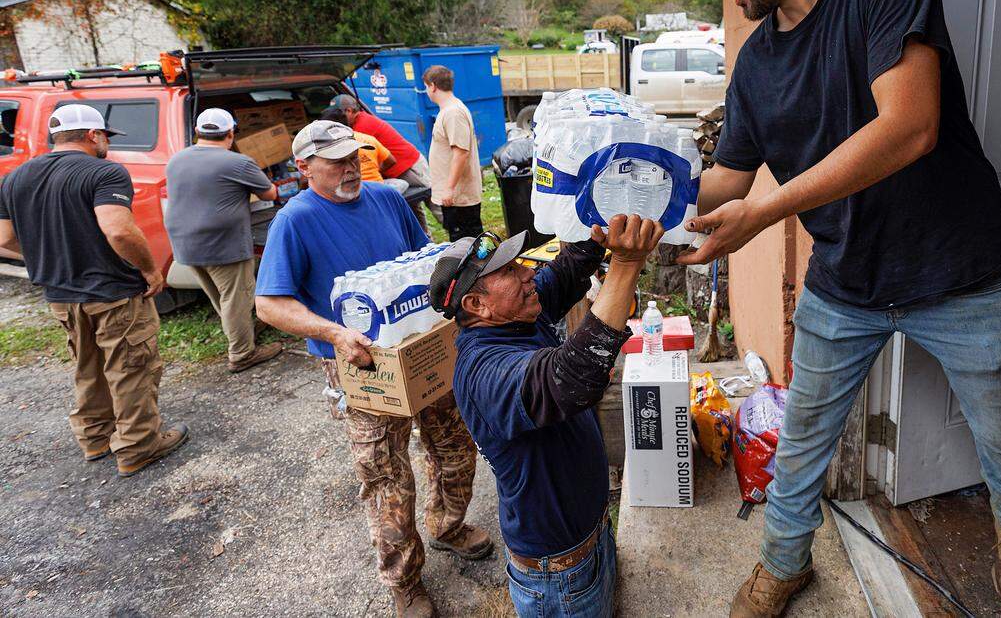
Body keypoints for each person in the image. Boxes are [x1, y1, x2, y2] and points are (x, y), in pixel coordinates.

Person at [671, 0, 1001, 616]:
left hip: (958, 267)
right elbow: (726, 185)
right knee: (803, 438)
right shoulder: (755, 67)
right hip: (846, 282)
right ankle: (782, 562)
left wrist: (771, 210)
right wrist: (641, 193)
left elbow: (910, 125)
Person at [254, 120, 489, 618]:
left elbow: (425, 262)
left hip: (421, 350)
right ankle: (405, 581)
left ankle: (447, 527)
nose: (350, 167)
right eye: (335, 161)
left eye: (353, 156)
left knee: (454, 445)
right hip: (361, 367)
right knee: (386, 476)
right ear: (303, 167)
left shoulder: (386, 198)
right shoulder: (294, 220)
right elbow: (270, 305)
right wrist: (336, 333)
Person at [429, 215, 663, 618]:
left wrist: (599, 230)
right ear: (476, 305)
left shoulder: (518, 312)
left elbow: (568, 268)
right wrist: (626, 265)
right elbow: (575, 375)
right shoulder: (483, 371)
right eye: (509, 271)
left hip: (593, 536)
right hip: (559, 579)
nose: (527, 273)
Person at [0, 103, 189, 477]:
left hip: (61, 295)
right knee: (131, 368)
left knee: (88, 367)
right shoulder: (104, 172)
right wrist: (150, 269)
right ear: (93, 135)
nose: (107, 144)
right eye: (105, 136)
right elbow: (118, 229)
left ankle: (96, 437)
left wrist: (52, 257)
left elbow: (4, 239)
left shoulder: (15, 178)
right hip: (113, 292)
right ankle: (139, 446)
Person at [164, 108, 284, 373]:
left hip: (184, 241)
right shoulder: (237, 162)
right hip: (221, 242)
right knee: (236, 297)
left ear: (197, 132)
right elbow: (269, 193)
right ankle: (242, 354)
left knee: (221, 297)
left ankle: (241, 332)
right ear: (231, 133)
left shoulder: (176, 159)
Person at [329, 94, 441, 228]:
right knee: (412, 209)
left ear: (349, 111)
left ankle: (460, 237)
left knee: (435, 204)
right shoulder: (356, 124)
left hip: (409, 166)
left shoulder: (362, 126)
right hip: (395, 169)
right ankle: (425, 240)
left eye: (338, 114)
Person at [423, 65, 483, 241]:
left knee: (467, 246)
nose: (427, 91)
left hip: (458, 197)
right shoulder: (449, 110)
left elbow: (461, 153)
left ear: (433, 86)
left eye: (426, 86)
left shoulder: (453, 113)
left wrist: (448, 189)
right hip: (455, 196)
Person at [320, 106, 395, 182]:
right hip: (377, 184)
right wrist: (375, 170)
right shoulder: (369, 139)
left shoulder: (326, 146)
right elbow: (391, 160)